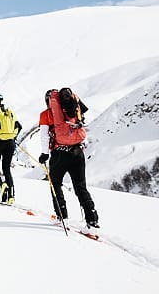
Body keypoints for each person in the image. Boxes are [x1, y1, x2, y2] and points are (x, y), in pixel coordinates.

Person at [39, 87, 99, 233]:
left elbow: (44, 136)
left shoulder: (46, 114)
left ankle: (62, 217)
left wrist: (44, 153)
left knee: (55, 183)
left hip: (59, 153)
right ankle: (92, 221)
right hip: (78, 151)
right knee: (80, 187)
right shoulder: (73, 111)